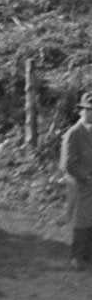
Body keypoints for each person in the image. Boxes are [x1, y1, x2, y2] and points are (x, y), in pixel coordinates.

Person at [59, 91, 92, 270]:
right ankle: (77, 257)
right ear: (80, 111)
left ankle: (87, 256)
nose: (90, 113)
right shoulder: (73, 133)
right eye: (87, 110)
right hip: (79, 185)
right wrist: (86, 177)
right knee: (81, 220)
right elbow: (67, 164)